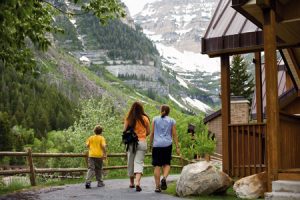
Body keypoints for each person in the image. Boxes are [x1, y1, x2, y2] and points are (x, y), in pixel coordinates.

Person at [149, 104, 180, 193]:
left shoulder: (155, 119)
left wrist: (150, 144)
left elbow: (152, 134)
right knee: (166, 164)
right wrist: (177, 147)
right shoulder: (172, 121)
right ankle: (164, 178)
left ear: (161, 110)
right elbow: (174, 134)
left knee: (157, 165)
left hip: (157, 145)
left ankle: (157, 187)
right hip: (167, 145)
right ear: (168, 112)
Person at [124, 101, 150, 192]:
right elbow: (148, 132)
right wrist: (142, 135)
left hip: (131, 143)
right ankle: (138, 182)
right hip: (142, 142)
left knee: (130, 162)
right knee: (139, 162)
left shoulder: (129, 118)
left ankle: (131, 183)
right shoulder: (145, 118)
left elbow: (124, 131)